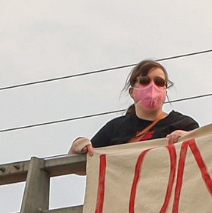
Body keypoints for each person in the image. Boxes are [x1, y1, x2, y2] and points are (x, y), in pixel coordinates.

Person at [69, 60, 200, 153]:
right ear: (132, 92)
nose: (152, 86)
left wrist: (188, 137)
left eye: (159, 82)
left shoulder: (183, 124)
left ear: (165, 90)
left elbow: (204, 152)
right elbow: (83, 165)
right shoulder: (115, 128)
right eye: (144, 81)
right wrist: (78, 146)